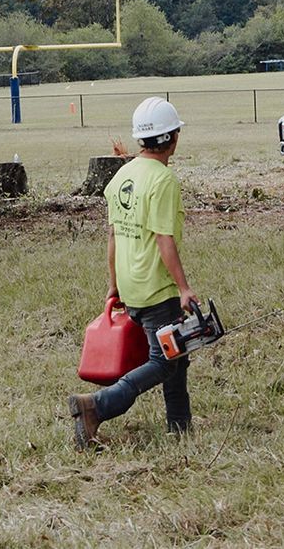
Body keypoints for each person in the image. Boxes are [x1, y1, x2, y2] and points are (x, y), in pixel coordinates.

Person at [69, 97, 199, 448]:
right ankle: (97, 406)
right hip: (156, 288)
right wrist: (184, 288)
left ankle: (180, 426)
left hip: (130, 285)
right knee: (165, 360)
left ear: (142, 139)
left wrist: (113, 285)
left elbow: (112, 236)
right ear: (173, 138)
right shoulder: (163, 180)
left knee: (176, 355)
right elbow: (163, 240)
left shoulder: (122, 175)